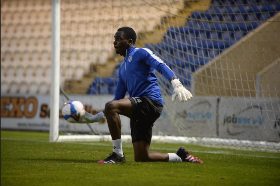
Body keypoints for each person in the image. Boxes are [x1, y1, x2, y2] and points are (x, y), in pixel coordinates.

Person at [78, 27, 203, 164]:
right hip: (139, 109)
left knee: (112, 107)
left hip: (150, 102)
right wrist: (95, 118)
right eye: (114, 39)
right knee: (142, 157)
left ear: (130, 41)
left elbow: (161, 65)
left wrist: (176, 83)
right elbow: (117, 100)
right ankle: (180, 156)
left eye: (119, 39)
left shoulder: (141, 53)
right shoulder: (122, 68)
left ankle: (117, 155)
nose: (115, 43)